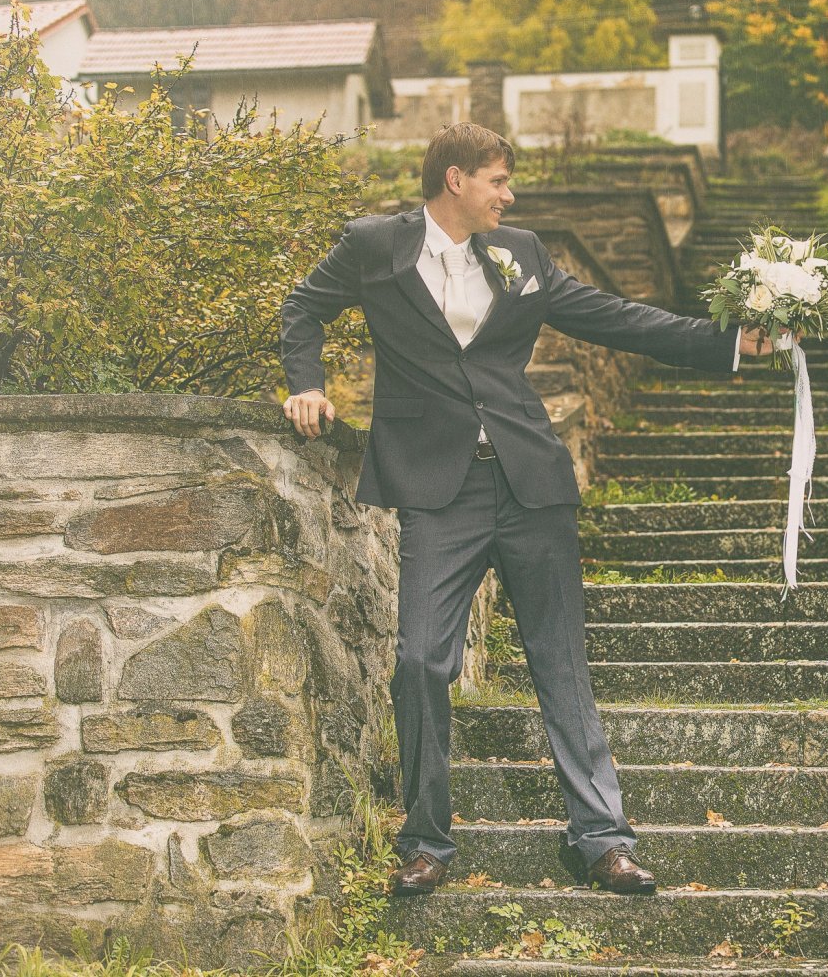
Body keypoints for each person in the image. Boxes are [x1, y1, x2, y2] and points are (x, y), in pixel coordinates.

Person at [280, 123, 779, 897]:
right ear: (455, 179)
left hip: (531, 484)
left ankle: (603, 840)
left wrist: (730, 343)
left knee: (560, 662)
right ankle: (426, 842)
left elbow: (615, 317)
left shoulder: (523, 253)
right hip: (437, 492)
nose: (509, 196)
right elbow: (303, 308)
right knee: (420, 661)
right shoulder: (375, 245)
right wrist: (307, 385)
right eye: (498, 180)